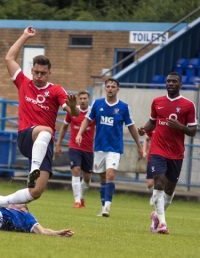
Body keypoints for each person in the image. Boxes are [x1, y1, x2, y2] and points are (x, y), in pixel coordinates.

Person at [0, 26, 78, 207]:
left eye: (43, 73)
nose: (39, 76)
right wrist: (25, 36)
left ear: (49, 73)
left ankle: (0, 201)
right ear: (32, 70)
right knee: (46, 129)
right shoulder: (23, 83)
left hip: (44, 143)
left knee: (36, 191)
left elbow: (73, 113)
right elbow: (9, 58)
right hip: (27, 136)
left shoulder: (56, 90)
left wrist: (73, 107)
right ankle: (33, 170)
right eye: (36, 72)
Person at [138, 72, 197, 234]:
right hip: (158, 150)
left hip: (176, 153)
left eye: (174, 81)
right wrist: (144, 129)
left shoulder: (188, 105)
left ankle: (156, 216)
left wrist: (180, 127)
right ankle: (162, 224)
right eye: (168, 81)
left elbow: (193, 130)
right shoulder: (157, 102)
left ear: (180, 84)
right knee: (158, 183)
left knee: (169, 191)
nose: (170, 83)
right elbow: (152, 121)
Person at [76, 78, 143, 217]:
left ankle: (107, 207)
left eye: (113, 86)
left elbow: (131, 127)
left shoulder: (124, 107)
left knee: (110, 174)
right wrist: (79, 133)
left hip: (114, 148)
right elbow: (87, 119)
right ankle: (103, 205)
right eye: (108, 86)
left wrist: (139, 145)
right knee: (102, 178)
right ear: (105, 88)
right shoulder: (97, 104)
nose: (110, 88)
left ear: (118, 89)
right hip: (99, 147)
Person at [55, 90, 95, 208]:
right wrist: (58, 144)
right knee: (76, 169)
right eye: (81, 98)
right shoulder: (72, 111)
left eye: (85, 98)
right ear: (78, 100)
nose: (83, 101)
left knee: (87, 178)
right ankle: (77, 200)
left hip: (88, 148)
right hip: (74, 146)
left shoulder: (93, 112)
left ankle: (81, 197)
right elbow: (64, 127)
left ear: (89, 99)